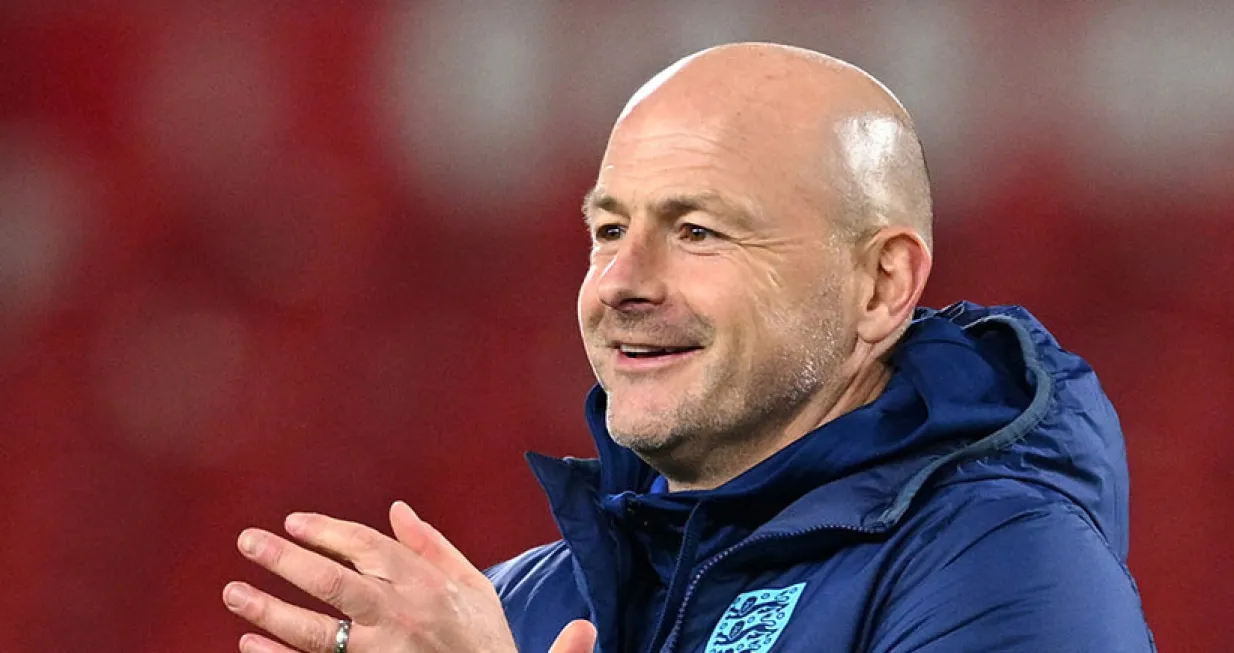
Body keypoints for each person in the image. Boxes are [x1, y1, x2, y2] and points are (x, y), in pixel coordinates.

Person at [223, 42, 1156, 652]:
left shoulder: (1004, 559)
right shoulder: (524, 606)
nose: (622, 282)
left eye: (699, 230)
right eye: (607, 229)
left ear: (881, 286)